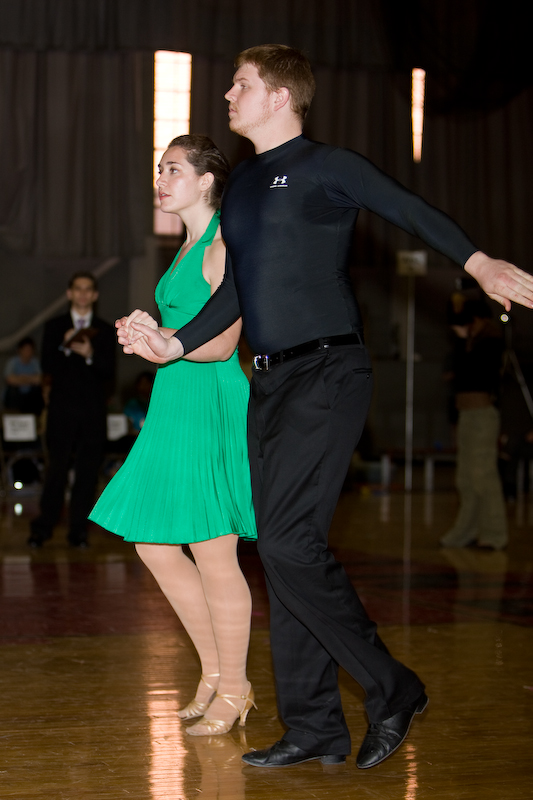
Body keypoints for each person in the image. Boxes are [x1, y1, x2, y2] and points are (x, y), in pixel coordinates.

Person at [118, 45, 533, 769]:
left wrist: (477, 262)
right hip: (270, 382)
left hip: (329, 370)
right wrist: (174, 345)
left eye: (241, 85)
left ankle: (393, 686)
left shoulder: (325, 165)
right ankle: (313, 726)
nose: (228, 95)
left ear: (280, 97)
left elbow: (408, 209)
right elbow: (236, 292)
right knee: (284, 555)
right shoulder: (245, 185)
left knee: (287, 545)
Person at [89, 134, 257, 736]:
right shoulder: (185, 246)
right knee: (155, 545)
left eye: (173, 170)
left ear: (207, 180)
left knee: (214, 551)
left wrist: (165, 345)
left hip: (207, 400)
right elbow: (179, 333)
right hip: (175, 399)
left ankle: (235, 687)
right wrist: (146, 336)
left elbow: (224, 344)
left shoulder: (221, 246)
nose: (160, 179)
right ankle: (214, 672)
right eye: (160, 169)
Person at [28, 272, 116, 548]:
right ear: (69, 293)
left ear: (95, 295)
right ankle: (44, 527)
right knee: (56, 469)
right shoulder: (55, 326)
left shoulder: (104, 329)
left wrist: (90, 354)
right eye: (78, 288)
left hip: (92, 411)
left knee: (87, 472)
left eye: (88, 289)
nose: (83, 293)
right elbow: (46, 366)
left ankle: (78, 530)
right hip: (62, 410)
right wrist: (64, 347)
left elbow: (109, 372)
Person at [440, 300, 507, 550]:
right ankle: (467, 531)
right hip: (467, 414)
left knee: (483, 475)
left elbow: (474, 373)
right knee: (465, 478)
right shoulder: (470, 342)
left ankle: (495, 534)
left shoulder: (491, 342)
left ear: (477, 320)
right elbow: (457, 375)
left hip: (482, 415)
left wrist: (464, 341)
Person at [3, 336, 44, 415]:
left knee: (37, 391)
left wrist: (21, 378)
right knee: (12, 391)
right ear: (20, 350)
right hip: (16, 395)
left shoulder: (35, 363)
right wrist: (30, 379)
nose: (28, 352)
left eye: (30, 350)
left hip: (29, 395)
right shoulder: (13, 362)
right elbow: (9, 379)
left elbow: (39, 379)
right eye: (25, 350)